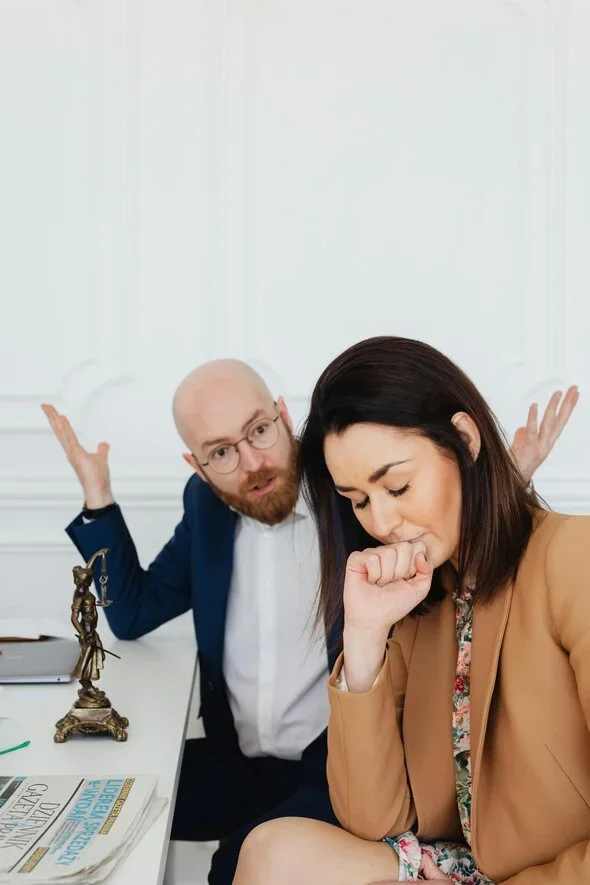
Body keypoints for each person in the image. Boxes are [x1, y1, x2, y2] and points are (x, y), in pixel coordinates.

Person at [41, 358, 577, 885]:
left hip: (325, 768)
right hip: (245, 757)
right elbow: (133, 612)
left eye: (258, 431)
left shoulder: (354, 504)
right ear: (197, 466)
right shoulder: (209, 509)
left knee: (232, 866)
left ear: (281, 415)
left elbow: (467, 528)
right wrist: (98, 501)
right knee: (104, 808)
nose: (251, 461)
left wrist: (502, 482)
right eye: (222, 452)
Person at [232, 338, 586, 885]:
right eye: (358, 500)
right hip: (460, 869)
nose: (383, 521)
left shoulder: (572, 559)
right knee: (270, 851)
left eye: (396, 485)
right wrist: (366, 637)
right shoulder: (418, 603)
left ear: (465, 440)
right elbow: (372, 819)